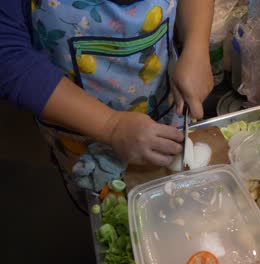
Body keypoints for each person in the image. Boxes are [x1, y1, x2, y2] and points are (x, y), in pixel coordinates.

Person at [0, 0, 215, 209]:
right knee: (109, 210)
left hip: (164, 108)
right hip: (83, 133)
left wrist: (196, 44)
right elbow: (8, 55)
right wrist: (111, 126)